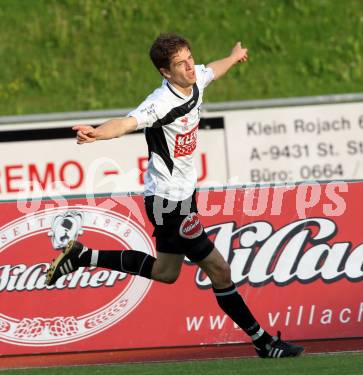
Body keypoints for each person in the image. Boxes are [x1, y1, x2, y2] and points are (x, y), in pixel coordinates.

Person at [46, 33, 304, 358]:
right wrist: (98, 133)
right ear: (166, 72)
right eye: (180, 64)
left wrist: (234, 55)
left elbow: (212, 70)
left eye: (189, 58)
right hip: (169, 203)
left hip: (183, 197)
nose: (190, 66)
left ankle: (84, 257)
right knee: (219, 270)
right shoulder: (160, 103)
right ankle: (263, 342)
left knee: (166, 273)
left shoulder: (194, 80)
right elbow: (127, 123)